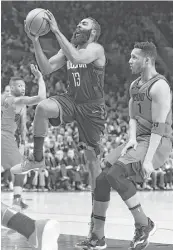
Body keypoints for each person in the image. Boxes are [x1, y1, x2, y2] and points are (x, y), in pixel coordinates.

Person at [12, 11, 106, 238]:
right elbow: (46, 67)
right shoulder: (68, 49)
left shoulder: (96, 49)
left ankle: (96, 218)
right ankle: (37, 158)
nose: (77, 25)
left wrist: (55, 30)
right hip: (72, 100)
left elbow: (77, 58)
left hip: (92, 108)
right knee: (43, 108)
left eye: (83, 23)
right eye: (78, 21)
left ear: (92, 32)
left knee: (93, 163)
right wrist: (35, 41)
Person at [78, 42, 172, 250]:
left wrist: (147, 160)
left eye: (134, 57)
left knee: (115, 175)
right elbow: (132, 118)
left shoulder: (160, 87)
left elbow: (158, 127)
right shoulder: (135, 85)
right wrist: (131, 139)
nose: (129, 61)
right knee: (102, 178)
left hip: (158, 142)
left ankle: (144, 224)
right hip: (139, 140)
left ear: (147, 60)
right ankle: (97, 237)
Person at [2, 64, 46, 209]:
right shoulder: (17, 100)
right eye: (19, 86)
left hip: (8, 137)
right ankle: (16, 200)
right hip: (5, 137)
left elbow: (21, 126)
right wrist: (39, 78)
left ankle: (18, 199)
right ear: (12, 88)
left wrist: (22, 142)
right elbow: (41, 97)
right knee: (20, 168)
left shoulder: (8, 101)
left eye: (24, 86)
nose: (23, 88)